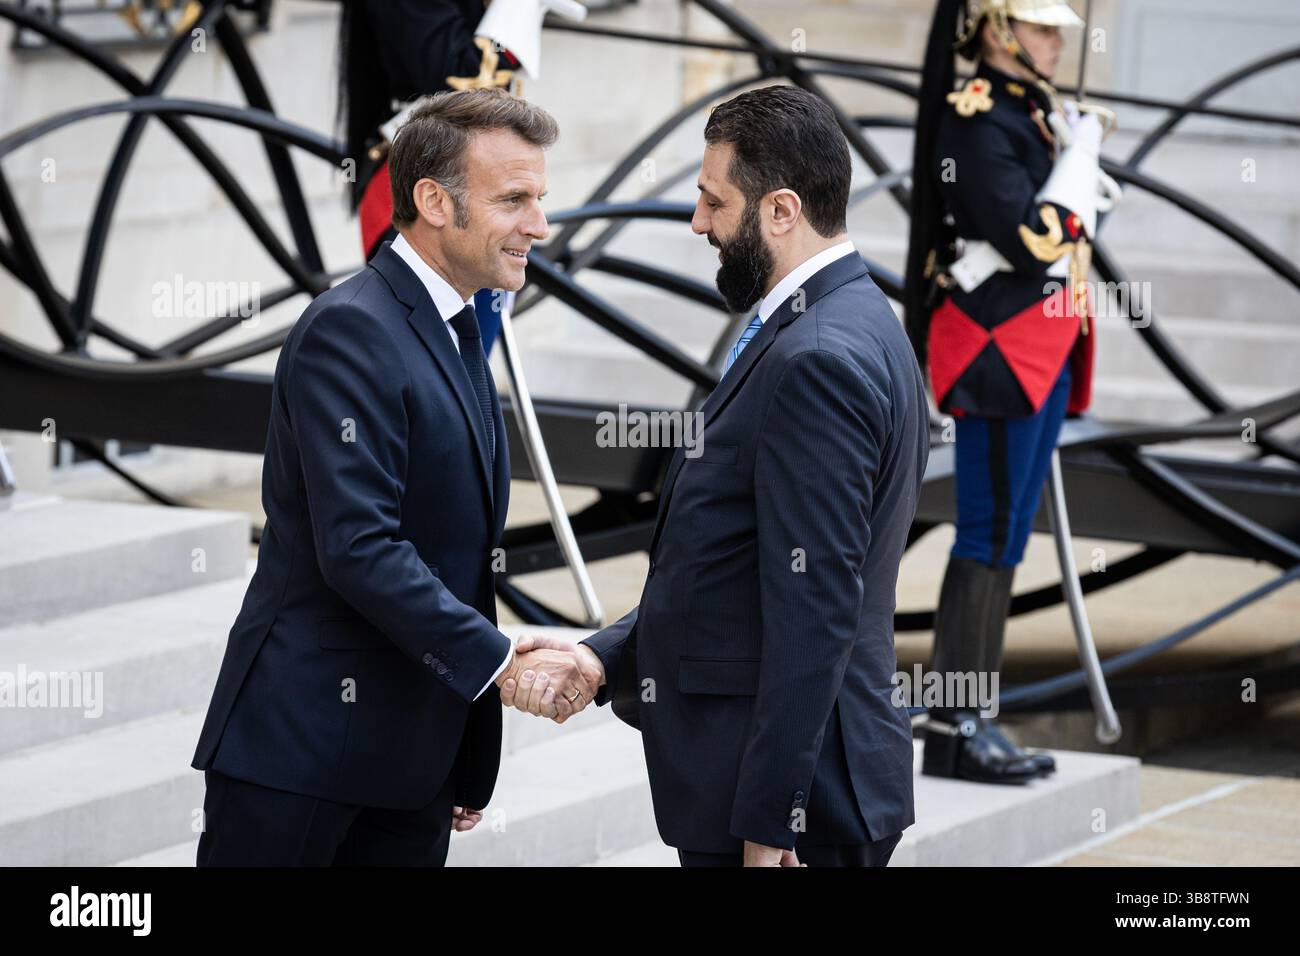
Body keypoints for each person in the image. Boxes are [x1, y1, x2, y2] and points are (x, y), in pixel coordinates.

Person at [507, 86, 930, 867]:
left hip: (794, 806)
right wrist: (603, 655)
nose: (699, 223)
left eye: (713, 201)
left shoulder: (819, 361)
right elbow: (731, 566)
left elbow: (816, 607)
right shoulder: (849, 318)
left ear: (781, 211)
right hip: (797, 785)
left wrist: (773, 824)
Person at [191, 89, 598, 866]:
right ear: (432, 202)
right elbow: (360, 547)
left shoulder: (462, 324)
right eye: (513, 199)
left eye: (539, 199)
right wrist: (500, 666)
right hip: (303, 759)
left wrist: (463, 743)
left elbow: (454, 557)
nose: (539, 226)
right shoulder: (352, 328)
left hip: (413, 769)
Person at [902, 0, 1115, 783]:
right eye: (1040, 27)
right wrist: (1081, 165)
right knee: (987, 538)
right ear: (997, 30)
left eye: (1058, 28)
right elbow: (1029, 240)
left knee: (1008, 539)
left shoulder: (1032, 112)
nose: (1057, 41)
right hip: (995, 354)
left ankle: (976, 717)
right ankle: (957, 724)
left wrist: (1076, 149)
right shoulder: (977, 118)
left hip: (1040, 345)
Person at [338, 0, 584, 351]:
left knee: (465, 368)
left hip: (478, 193)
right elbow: (462, 80)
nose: (541, 228)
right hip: (433, 198)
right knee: (434, 367)